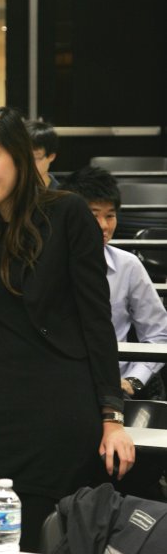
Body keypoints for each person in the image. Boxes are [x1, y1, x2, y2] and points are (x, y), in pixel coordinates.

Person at [0, 107, 135, 554]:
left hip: (56, 411)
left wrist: (112, 417)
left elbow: (95, 319)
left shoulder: (67, 212)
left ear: (19, 157)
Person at [61, 165, 167, 400]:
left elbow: (159, 332)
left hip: (113, 388)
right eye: (93, 214)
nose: (104, 226)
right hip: (59, 387)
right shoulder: (45, 266)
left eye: (110, 215)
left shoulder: (128, 266)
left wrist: (134, 379)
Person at [24, 118, 60, 189]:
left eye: (34, 157)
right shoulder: (7, 193)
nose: (26, 164)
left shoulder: (63, 197)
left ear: (51, 157)